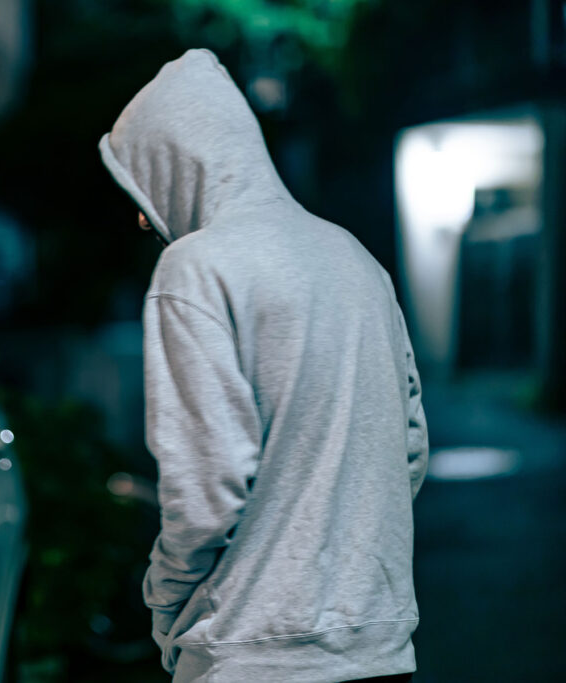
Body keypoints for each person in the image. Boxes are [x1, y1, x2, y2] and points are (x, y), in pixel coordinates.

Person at [98, 49, 428, 683]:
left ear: (180, 165)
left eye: (144, 186)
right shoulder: (358, 261)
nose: (143, 216)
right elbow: (408, 450)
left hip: (250, 656)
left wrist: (165, 606)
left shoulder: (195, 269)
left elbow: (206, 492)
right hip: (379, 651)